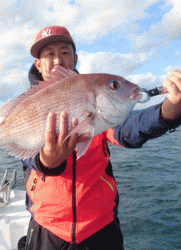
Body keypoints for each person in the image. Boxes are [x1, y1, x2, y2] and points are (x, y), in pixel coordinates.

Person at [19, 26, 181, 250]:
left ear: (75, 59)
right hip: (47, 229)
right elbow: (25, 156)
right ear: (38, 63)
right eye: (49, 54)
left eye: (65, 52)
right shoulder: (25, 106)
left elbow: (128, 128)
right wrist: (47, 160)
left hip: (100, 229)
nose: (58, 60)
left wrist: (168, 111)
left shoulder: (94, 96)